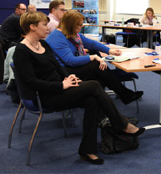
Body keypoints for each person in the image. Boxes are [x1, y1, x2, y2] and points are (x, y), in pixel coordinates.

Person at [13, 11, 144, 165]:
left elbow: (57, 66)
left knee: (91, 101)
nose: (48, 28)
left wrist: (67, 77)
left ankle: (87, 150)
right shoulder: (21, 51)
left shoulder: (43, 44)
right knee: (94, 85)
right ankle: (121, 125)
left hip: (60, 87)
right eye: (44, 25)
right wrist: (61, 84)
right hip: (45, 96)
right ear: (32, 27)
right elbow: (30, 82)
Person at [46, 10, 143, 105]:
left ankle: (103, 113)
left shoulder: (71, 33)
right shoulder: (57, 37)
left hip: (70, 68)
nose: (82, 26)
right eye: (80, 24)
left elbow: (91, 43)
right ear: (71, 25)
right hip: (63, 72)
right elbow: (71, 61)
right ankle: (124, 94)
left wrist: (109, 51)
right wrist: (94, 57)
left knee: (98, 78)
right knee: (96, 65)